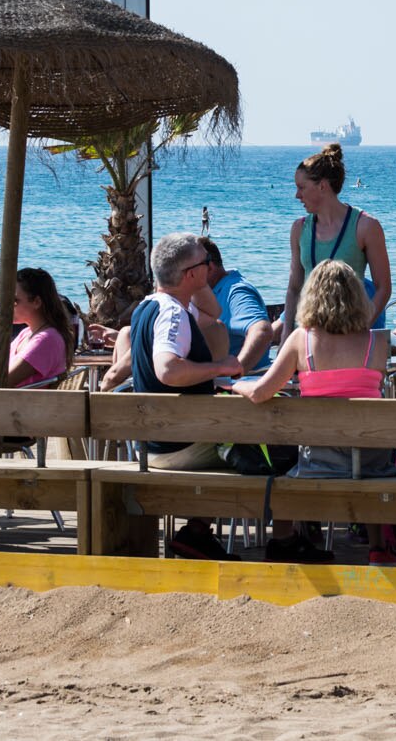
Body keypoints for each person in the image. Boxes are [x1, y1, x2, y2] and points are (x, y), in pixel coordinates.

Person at [234, 260, 395, 565]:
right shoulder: (377, 342)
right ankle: (378, 546)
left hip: (319, 461)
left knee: (283, 467)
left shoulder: (300, 340)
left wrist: (236, 384)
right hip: (374, 460)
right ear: (358, 297)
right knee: (365, 451)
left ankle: (284, 540)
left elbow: (260, 393)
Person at [131, 231, 244, 560]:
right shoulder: (173, 314)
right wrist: (219, 367)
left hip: (153, 441)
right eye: (206, 265)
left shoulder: (152, 306)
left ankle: (197, 533)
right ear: (191, 274)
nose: (211, 269)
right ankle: (283, 540)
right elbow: (168, 369)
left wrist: (195, 277)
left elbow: (213, 312)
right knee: (264, 449)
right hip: (179, 446)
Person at [286, 143, 394, 334]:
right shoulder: (299, 229)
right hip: (307, 336)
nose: (297, 195)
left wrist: (359, 329)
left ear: (322, 186)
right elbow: (294, 288)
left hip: (348, 333)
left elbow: (383, 288)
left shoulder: (366, 226)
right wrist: (287, 334)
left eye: (301, 187)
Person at [0, 267, 72, 388]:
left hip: (19, 405)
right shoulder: (27, 333)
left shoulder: (46, 340)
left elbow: (3, 381)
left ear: (36, 302)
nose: (8, 305)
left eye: (15, 301)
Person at [198, 237, 278, 371]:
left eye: (188, 271)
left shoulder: (236, 292)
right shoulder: (209, 290)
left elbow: (262, 332)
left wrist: (235, 371)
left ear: (210, 268)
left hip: (240, 382)